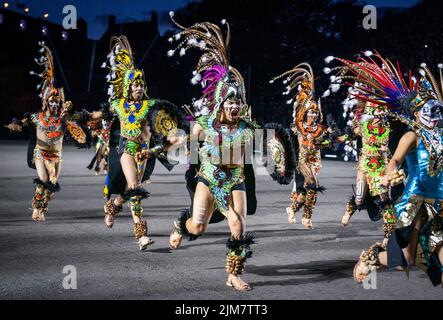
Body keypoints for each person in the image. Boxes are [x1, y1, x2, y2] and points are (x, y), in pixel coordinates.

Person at [326, 52, 443, 286]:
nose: (435, 114)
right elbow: (395, 160)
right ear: (417, 113)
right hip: (416, 201)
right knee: (405, 259)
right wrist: (390, 173)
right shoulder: (412, 136)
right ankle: (373, 259)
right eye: (428, 109)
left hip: (440, 202)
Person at [166, 15, 260, 291]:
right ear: (220, 103)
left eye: (237, 102)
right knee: (198, 227)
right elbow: (187, 145)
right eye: (230, 101)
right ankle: (180, 224)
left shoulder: (249, 126)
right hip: (208, 178)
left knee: (238, 225)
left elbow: (260, 149)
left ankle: (233, 274)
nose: (234, 106)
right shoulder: (204, 124)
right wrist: (175, 147)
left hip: (236, 180)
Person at [87, 36, 187, 250]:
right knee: (134, 189)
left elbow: (167, 117)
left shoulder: (150, 105)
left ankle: (112, 206)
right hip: (126, 150)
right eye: (135, 85)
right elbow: (96, 115)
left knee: (133, 190)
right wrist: (77, 117)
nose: (139, 88)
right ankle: (141, 235)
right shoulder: (117, 105)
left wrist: (179, 131)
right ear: (127, 86)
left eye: (141, 85)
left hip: (144, 152)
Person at [5, 42, 90, 222]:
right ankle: (37, 210)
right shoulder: (37, 118)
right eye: (51, 101)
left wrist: (83, 125)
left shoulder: (63, 119)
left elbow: (79, 124)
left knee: (51, 186)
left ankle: (43, 204)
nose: (54, 104)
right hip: (40, 154)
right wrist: (16, 125)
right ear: (45, 103)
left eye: (56, 102)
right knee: (43, 179)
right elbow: (22, 121)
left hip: (56, 155)